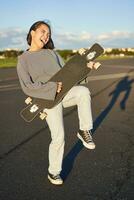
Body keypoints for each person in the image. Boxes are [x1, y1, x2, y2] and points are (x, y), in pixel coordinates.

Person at [17, 20, 100, 185]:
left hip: (65, 93)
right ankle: (53, 172)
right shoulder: (23, 59)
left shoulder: (52, 53)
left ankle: (84, 130)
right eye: (43, 31)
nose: (46, 36)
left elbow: (70, 73)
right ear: (32, 33)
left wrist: (87, 67)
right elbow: (27, 86)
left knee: (83, 92)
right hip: (47, 101)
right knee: (58, 137)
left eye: (48, 34)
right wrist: (51, 87)